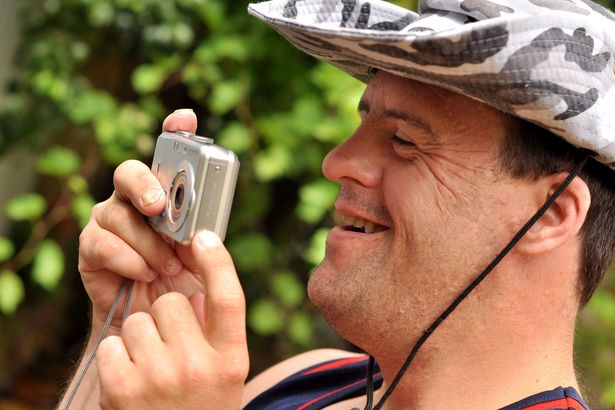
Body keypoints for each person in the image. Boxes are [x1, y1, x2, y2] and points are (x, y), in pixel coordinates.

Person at [59, 0, 615, 408]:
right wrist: (122, 332)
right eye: (363, 122)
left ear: (552, 214)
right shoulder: (309, 381)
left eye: (405, 141)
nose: (336, 162)